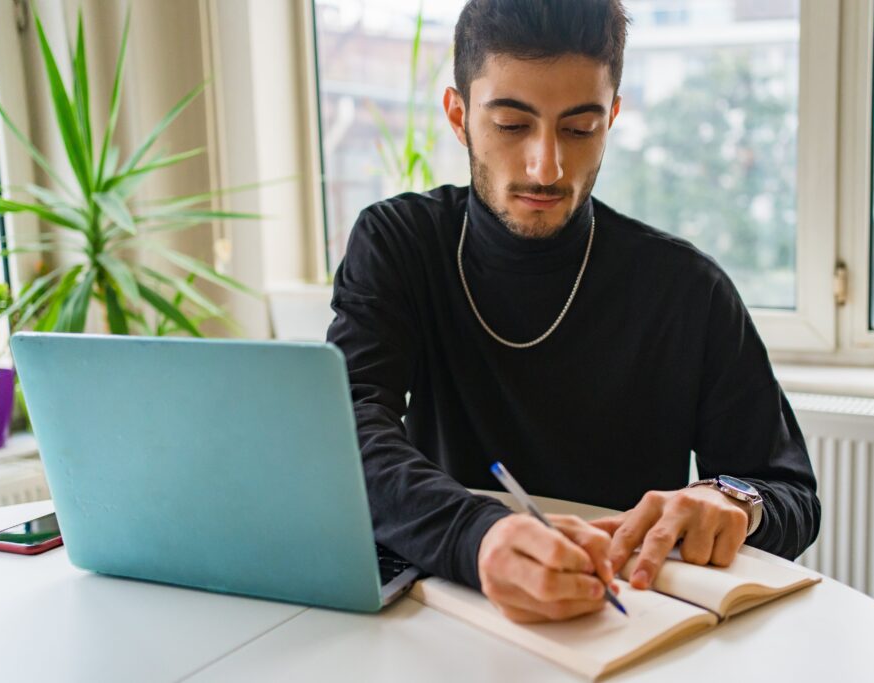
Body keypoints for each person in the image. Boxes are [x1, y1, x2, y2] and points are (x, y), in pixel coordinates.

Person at [326, 0, 820, 624]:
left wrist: (733, 501)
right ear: (459, 116)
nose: (546, 166)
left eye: (579, 128)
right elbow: (347, 431)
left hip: (619, 615)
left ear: (612, 116)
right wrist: (479, 536)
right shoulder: (399, 244)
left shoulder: (686, 288)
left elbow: (790, 492)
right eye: (511, 124)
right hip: (441, 608)